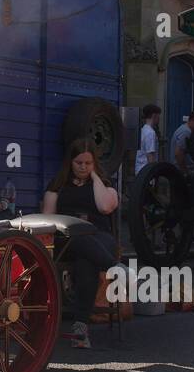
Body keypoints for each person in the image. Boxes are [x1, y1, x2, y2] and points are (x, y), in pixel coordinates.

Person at [42, 139, 119, 349]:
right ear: (70, 162)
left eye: (88, 163)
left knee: (87, 261)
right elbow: (47, 218)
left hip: (99, 237)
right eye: (79, 163)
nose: (83, 167)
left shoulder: (105, 184)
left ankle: (80, 328)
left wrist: (95, 178)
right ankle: (115, 267)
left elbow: (105, 207)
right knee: (79, 240)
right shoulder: (57, 185)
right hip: (67, 239)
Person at [133, 103, 161, 174]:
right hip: (146, 172)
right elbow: (150, 155)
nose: (159, 119)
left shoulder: (143, 130)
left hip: (140, 169)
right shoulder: (151, 133)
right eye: (158, 116)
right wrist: (153, 173)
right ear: (154, 116)